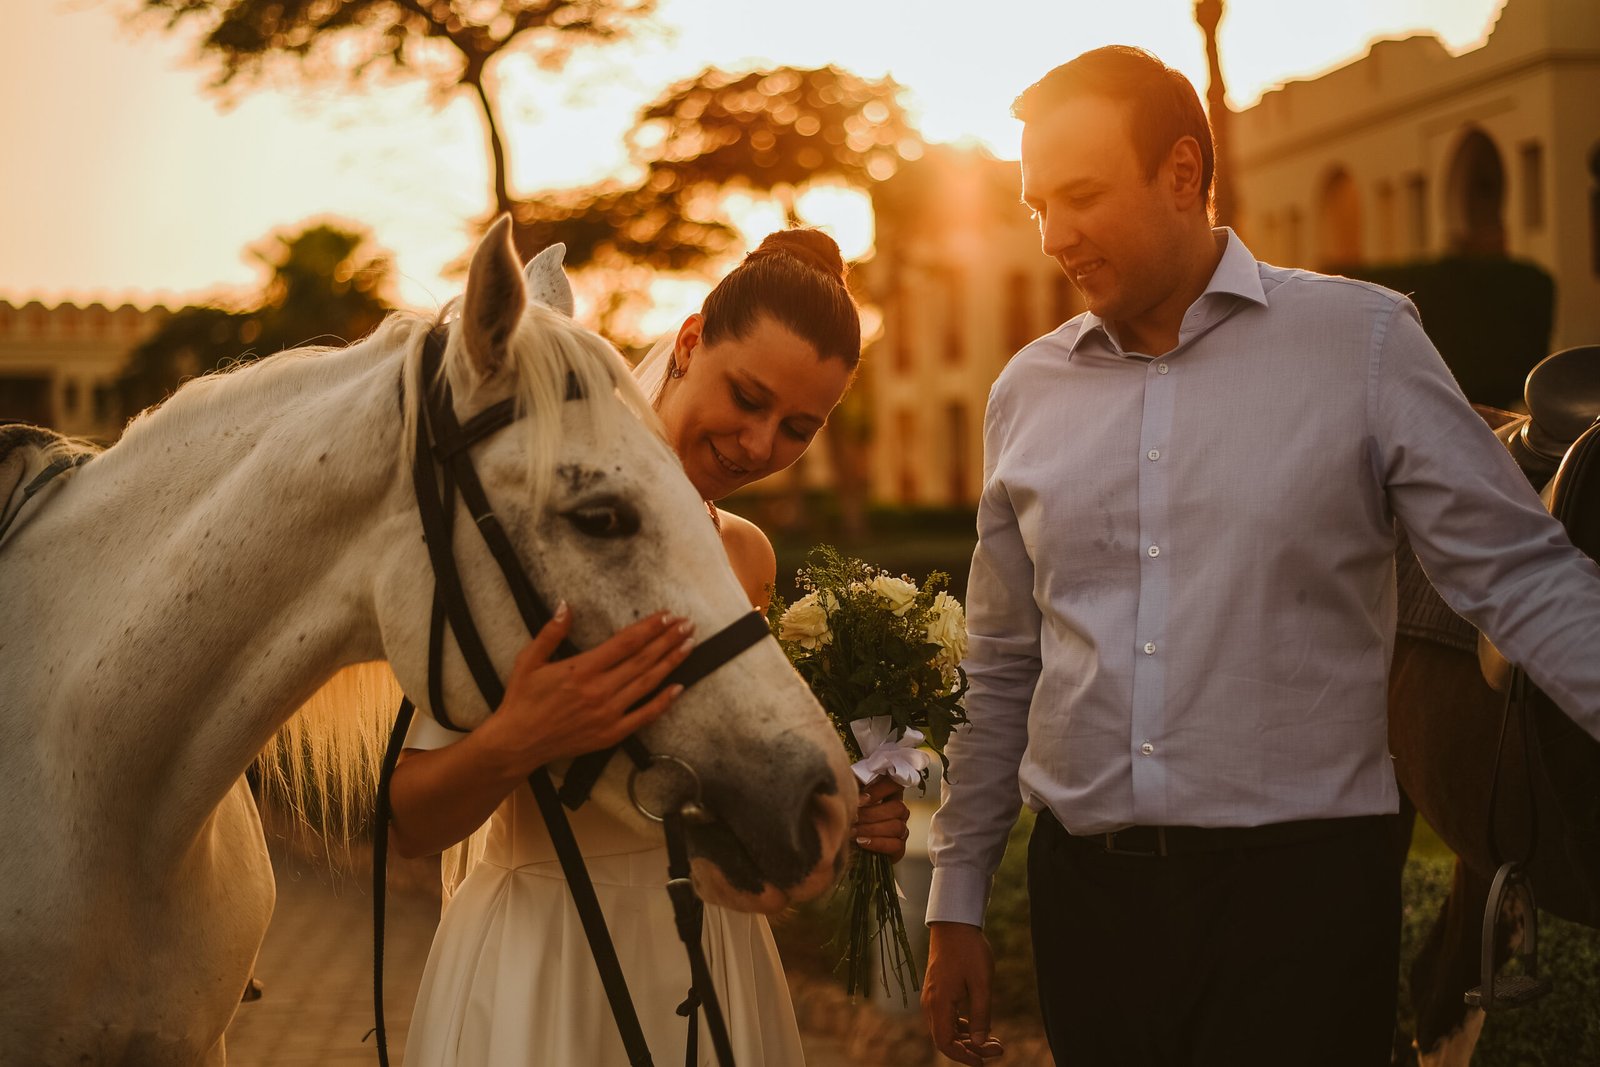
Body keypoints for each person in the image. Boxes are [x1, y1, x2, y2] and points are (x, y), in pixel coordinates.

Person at [919, 45, 1600, 1067]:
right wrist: (957, 894)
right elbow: (1003, 659)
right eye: (1036, 207)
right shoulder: (1024, 393)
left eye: (1082, 196)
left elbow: (1519, 572)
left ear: (1182, 172)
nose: (1054, 235)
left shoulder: (1364, 343)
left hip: (1303, 905)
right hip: (1087, 907)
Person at [389, 228, 911, 1067]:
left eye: (797, 427)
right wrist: (521, 736)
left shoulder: (747, 557)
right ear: (692, 340)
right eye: (747, 397)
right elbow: (410, 818)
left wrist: (836, 804)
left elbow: (728, 820)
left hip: (713, 963)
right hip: (543, 960)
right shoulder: (541, 522)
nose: (759, 444)